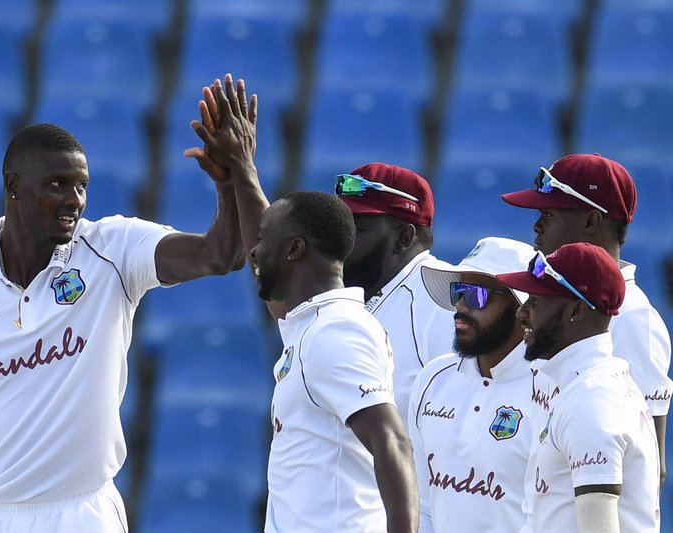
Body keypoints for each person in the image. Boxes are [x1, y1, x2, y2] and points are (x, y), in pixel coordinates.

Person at [0, 121, 247, 531]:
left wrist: (233, 179)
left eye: (81, 186)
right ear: (13, 186)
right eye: (57, 185)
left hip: (80, 513)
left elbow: (219, 255)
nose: (75, 200)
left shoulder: (115, 252)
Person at [189, 75, 419, 532]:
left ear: (294, 251)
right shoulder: (310, 326)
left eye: (265, 243)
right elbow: (267, 242)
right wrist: (240, 168)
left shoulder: (336, 332)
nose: (252, 252)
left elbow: (392, 441)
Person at [501, 153, 671, 484]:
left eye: (548, 214)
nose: (536, 226)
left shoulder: (634, 318)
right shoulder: (552, 301)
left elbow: (649, 466)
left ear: (592, 222)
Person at [497, 242, 661, 532]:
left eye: (535, 301)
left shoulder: (592, 400)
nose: (522, 314)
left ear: (575, 310)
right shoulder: (588, 386)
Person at [407, 237, 536, 532]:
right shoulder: (432, 378)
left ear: (521, 306)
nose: (461, 306)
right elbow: (422, 507)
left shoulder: (548, 390)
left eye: (478, 295)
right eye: (458, 292)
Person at [335, 164, 455, 432]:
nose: (339, 242)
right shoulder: (358, 294)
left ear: (404, 237)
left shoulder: (445, 299)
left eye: (355, 229)